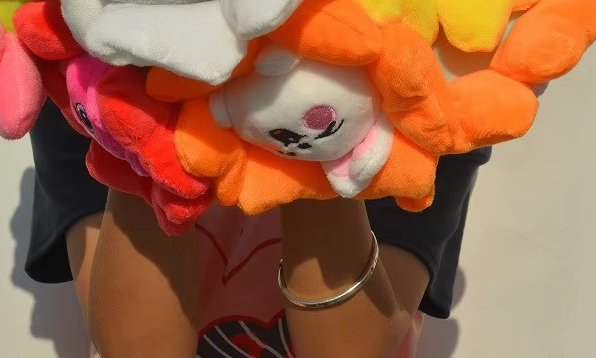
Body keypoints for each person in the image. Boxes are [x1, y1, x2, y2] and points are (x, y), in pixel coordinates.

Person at [26, 97, 490, 358]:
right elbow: (135, 348)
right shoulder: (80, 78)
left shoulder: (428, 91)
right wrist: (142, 97)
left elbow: (351, 350)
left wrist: (318, 97)